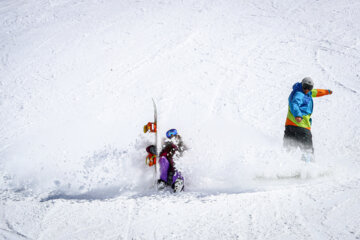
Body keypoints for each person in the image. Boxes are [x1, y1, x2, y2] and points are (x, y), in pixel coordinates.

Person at [284, 77, 333, 161]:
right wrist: (298, 115)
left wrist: (327, 92)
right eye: (305, 87)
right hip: (301, 125)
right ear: (302, 85)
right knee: (308, 150)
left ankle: (282, 166)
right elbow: (294, 104)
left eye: (309, 88)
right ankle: (308, 169)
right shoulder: (299, 94)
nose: (307, 89)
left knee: (289, 149)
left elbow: (316, 92)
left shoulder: (305, 92)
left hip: (290, 125)